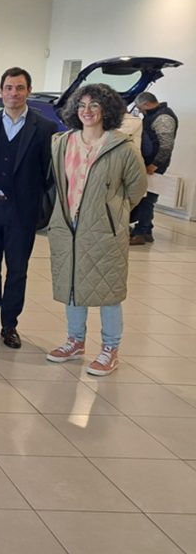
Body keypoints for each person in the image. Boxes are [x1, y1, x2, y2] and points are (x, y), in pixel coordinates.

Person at [45, 83, 147, 375]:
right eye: (81, 105)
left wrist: (111, 213)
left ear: (107, 110)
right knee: (73, 285)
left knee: (107, 290)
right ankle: (75, 341)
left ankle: (110, 349)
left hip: (104, 229)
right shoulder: (62, 143)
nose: (86, 111)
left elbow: (137, 189)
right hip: (68, 226)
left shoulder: (122, 147)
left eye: (94, 105)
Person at [0, 67, 58, 349]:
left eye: (19, 88)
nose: (13, 93)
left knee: (17, 270)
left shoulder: (45, 128)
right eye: (8, 87)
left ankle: (10, 325)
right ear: (1, 91)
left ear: (28, 91)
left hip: (22, 211)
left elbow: (48, 172)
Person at [130, 91, 177, 245]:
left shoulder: (163, 118)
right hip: (149, 163)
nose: (140, 111)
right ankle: (147, 230)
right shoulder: (153, 115)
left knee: (147, 199)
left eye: (139, 108)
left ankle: (141, 233)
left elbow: (166, 146)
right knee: (146, 197)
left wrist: (154, 165)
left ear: (146, 104)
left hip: (154, 165)